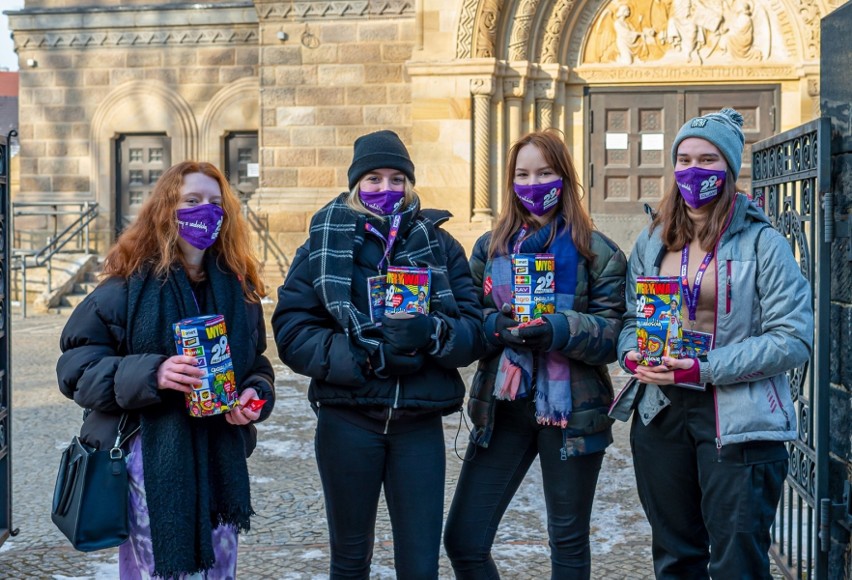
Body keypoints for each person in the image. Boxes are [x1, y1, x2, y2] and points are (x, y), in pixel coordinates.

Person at [271, 130, 485, 578]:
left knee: (420, 564)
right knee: (349, 561)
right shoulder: (322, 243)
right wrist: (364, 358)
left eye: (396, 179)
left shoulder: (440, 245)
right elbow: (293, 330)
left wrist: (432, 334)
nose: (386, 189)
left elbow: (473, 329)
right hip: (347, 420)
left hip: (417, 425)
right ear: (355, 185)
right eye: (373, 178)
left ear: (410, 184)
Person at [612, 108, 813, 578]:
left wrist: (702, 368)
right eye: (683, 159)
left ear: (728, 168)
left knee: (736, 564)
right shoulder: (653, 240)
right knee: (676, 557)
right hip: (661, 411)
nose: (693, 170)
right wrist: (631, 351)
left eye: (707, 159)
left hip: (738, 418)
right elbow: (629, 318)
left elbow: (793, 338)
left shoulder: (764, 243)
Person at [56, 161, 276, 578]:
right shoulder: (124, 288)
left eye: (215, 202)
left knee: (219, 569)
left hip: (218, 458)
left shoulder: (239, 289)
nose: (205, 211)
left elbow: (257, 366)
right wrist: (152, 373)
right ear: (166, 210)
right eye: (191, 201)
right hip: (149, 458)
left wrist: (254, 397)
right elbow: (76, 369)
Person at [444, 130, 627, 579]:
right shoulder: (490, 248)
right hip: (502, 406)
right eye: (523, 174)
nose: (533, 183)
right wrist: (495, 326)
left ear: (563, 177)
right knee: (464, 539)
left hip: (572, 411)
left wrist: (559, 329)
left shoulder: (597, 252)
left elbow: (616, 335)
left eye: (545, 172)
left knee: (566, 543)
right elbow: (471, 320)